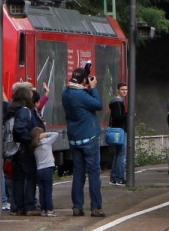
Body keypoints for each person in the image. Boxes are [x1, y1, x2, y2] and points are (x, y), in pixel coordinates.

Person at [62, 67, 104, 217]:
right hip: (89, 137)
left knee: (78, 173)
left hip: (74, 138)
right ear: (84, 80)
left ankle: (77, 206)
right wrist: (93, 88)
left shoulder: (66, 93)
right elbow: (98, 105)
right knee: (93, 173)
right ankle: (96, 207)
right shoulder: (80, 95)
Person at [9, 83, 44, 216]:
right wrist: (30, 139)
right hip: (24, 148)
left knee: (18, 178)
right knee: (30, 176)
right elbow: (19, 128)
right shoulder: (24, 110)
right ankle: (29, 205)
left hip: (15, 148)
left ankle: (18, 206)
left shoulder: (13, 109)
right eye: (30, 94)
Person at [30, 127, 60, 217]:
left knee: (42, 191)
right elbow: (56, 134)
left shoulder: (34, 146)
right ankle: (50, 209)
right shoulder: (46, 142)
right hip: (48, 168)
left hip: (39, 170)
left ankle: (43, 209)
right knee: (48, 190)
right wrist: (45, 134)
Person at [108, 83, 128, 186]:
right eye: (122, 89)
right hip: (120, 131)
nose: (124, 91)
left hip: (116, 130)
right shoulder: (117, 103)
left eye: (126, 89)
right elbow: (118, 117)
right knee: (121, 154)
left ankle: (114, 178)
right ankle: (120, 178)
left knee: (118, 154)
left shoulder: (115, 102)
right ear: (118, 90)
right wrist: (128, 115)